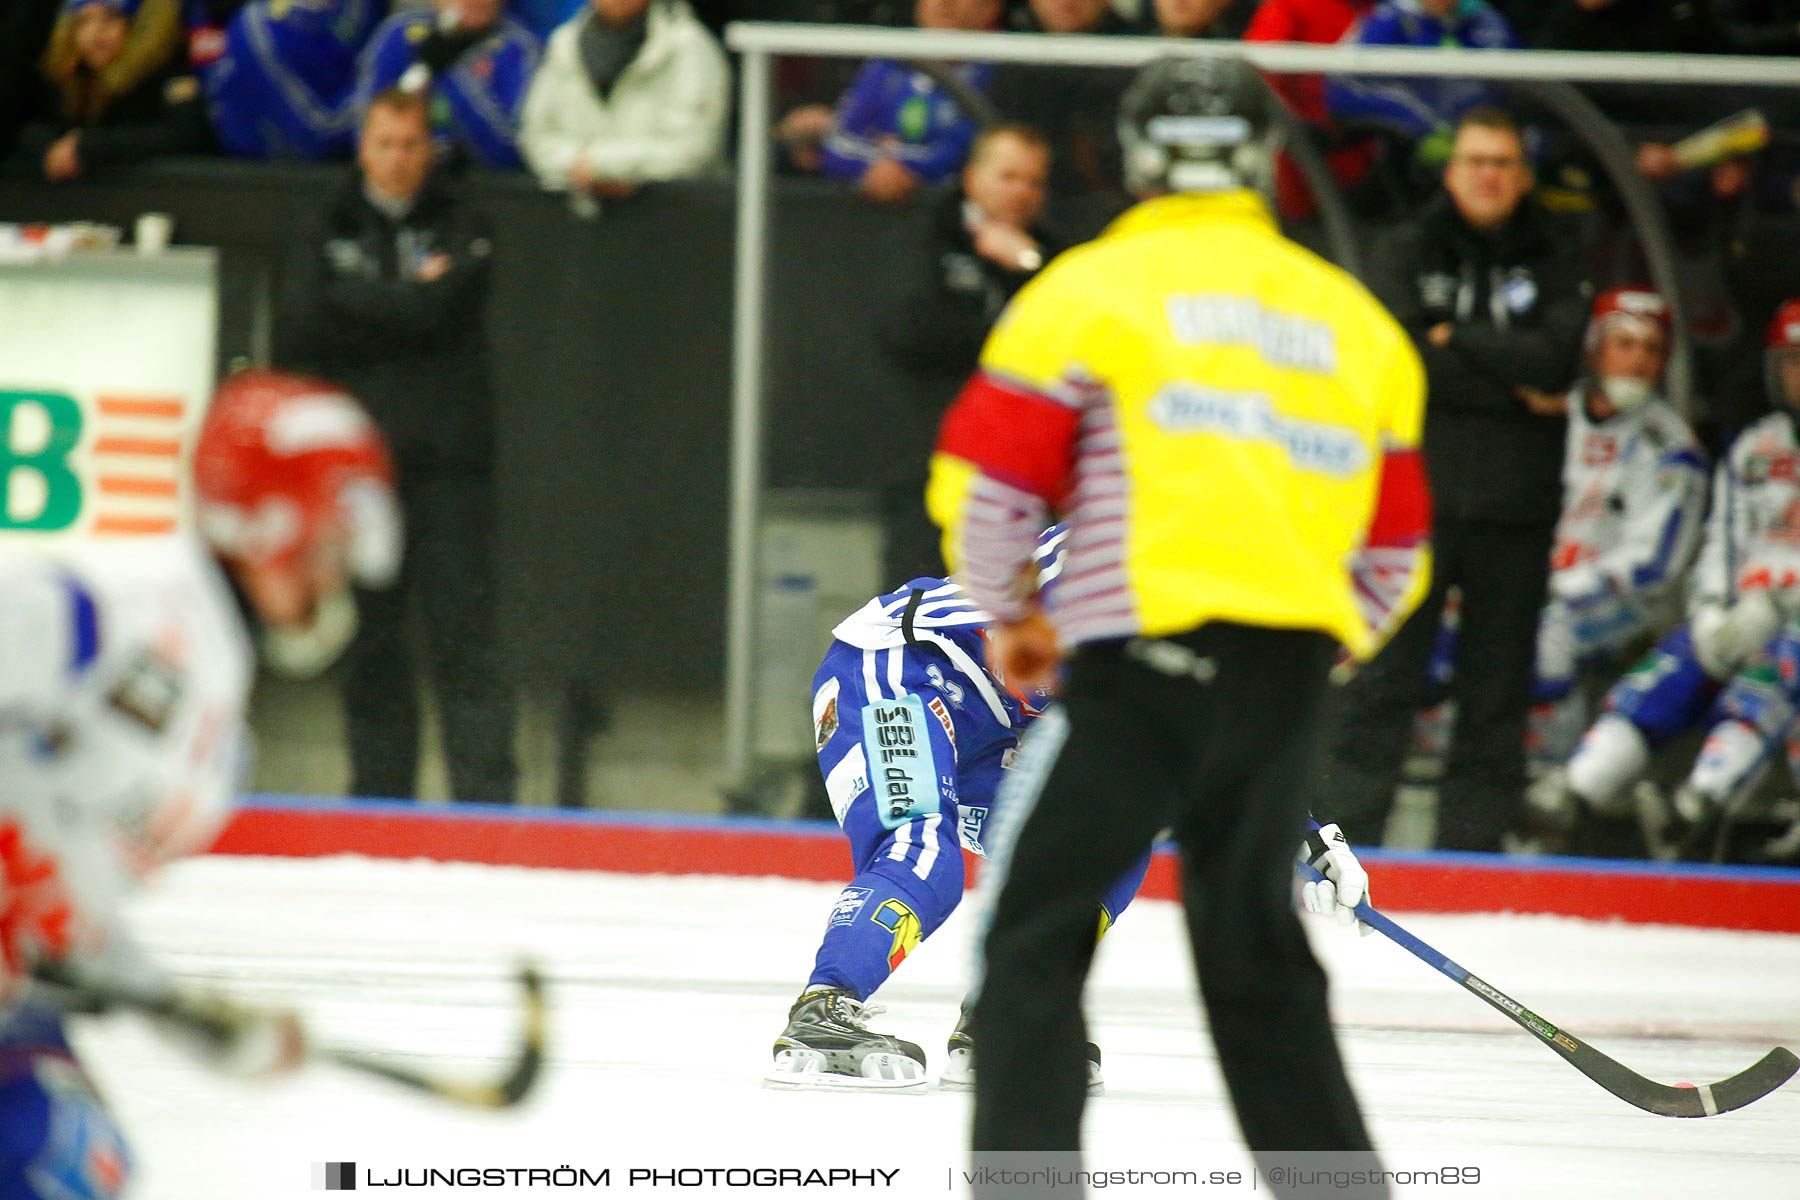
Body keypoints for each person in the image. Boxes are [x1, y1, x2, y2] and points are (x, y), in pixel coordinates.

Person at [927, 55, 1428, 1179]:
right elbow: (1397, 549)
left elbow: (988, 486)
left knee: (1032, 947)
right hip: (1286, 681)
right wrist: (1321, 654)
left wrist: (1010, 611)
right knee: (1259, 971)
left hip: (1139, 668)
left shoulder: (1085, 292)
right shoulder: (1353, 322)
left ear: (1140, 158)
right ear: (1261, 159)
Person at [766, 530, 1377, 1094]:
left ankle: (1007, 1006)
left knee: (1114, 835)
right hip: (906, 669)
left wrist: (1306, 836)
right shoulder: (1137, 551)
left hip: (1012, 712)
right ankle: (825, 1006)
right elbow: (1039, 663)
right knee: (923, 846)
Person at [0, 369, 398, 1200]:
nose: (334, 578)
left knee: (83, 1162)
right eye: (327, 544)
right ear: (270, 526)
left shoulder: (221, 745)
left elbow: (69, 917)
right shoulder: (119, 605)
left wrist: (189, 1017)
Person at [1321, 107, 1590, 853]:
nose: (1489, 176)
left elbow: (1557, 362)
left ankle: (1471, 859)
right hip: (1414, 507)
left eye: (1503, 163)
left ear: (1524, 175)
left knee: (1497, 694)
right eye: (1476, 161)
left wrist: (1452, 340)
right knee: (1381, 683)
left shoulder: (1558, 252)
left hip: (1518, 506)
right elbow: (1391, 362)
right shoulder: (1405, 245)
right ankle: (1353, 851)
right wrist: (1511, 374)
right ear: (1450, 170)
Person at [285, 87, 518, 804]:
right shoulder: (324, 221)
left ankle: (487, 814)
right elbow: (302, 320)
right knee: (373, 650)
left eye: (411, 144)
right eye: (384, 144)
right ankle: (377, 807)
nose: (398, 160)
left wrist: (357, 300)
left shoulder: (464, 217)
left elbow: (443, 308)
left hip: (450, 470)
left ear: (430, 148)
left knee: (466, 644)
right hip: (360, 479)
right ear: (362, 147)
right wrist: (406, 303)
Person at [1538, 299, 1800, 859]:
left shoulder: (1670, 446)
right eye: (1794, 361)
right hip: (1738, 611)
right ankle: (1570, 799)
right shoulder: (1757, 445)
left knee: (1771, 673)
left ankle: (1696, 807)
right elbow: (1721, 539)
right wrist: (1710, 609)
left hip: (1790, 625)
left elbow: (1655, 563)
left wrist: (1778, 602)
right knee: (1667, 674)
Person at [1528, 288, 1708, 766]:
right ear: (1595, 348)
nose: (1638, 361)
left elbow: (1655, 567)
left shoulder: (1670, 446)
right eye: (1624, 344)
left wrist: (1564, 586)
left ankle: (1547, 780)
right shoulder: (1553, 415)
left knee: (1547, 636)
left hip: (1632, 600)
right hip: (1539, 581)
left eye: (1652, 349)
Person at [879, 122, 1060, 588]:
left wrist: (1027, 267)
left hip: (1024, 479)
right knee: (922, 614)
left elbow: (1071, 343)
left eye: (1034, 182)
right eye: (1009, 177)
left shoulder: (1053, 258)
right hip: (928, 460)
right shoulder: (923, 235)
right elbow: (910, 329)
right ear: (973, 178)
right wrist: (1004, 337)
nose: (1022, 192)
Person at [794, 0, 1000, 206]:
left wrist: (892, 158)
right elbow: (837, 146)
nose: (944, 3)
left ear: (991, 7)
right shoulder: (888, 63)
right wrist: (877, 168)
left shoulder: (1003, 73)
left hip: (951, 216)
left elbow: (960, 157)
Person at [518, 0, 729, 199]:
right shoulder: (564, 42)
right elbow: (535, 135)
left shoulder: (689, 47)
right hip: (575, 216)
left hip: (674, 217)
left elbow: (694, 150)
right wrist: (577, 167)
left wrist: (604, 167)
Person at [17, 0, 208, 181]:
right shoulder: (66, 74)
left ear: (136, 26)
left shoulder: (166, 69)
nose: (95, 33)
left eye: (110, 18)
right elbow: (24, 122)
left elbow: (185, 134)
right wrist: (49, 147)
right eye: (83, 21)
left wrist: (89, 147)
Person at [1327, 1, 1517, 169]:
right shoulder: (1393, 19)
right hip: (1431, 137)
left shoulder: (1484, 19)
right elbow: (1343, 85)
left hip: (1495, 125)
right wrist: (1426, 127)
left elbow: (1520, 75)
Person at [354, 0, 540, 170]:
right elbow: (364, 127)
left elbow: (511, 149)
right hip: (402, 181)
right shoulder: (399, 34)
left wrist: (454, 73)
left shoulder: (520, 47)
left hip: (485, 188)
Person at [191, 0, 385, 160]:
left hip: (361, 154)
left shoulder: (361, 7)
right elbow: (318, 131)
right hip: (269, 180)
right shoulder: (257, 29)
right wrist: (388, 81)